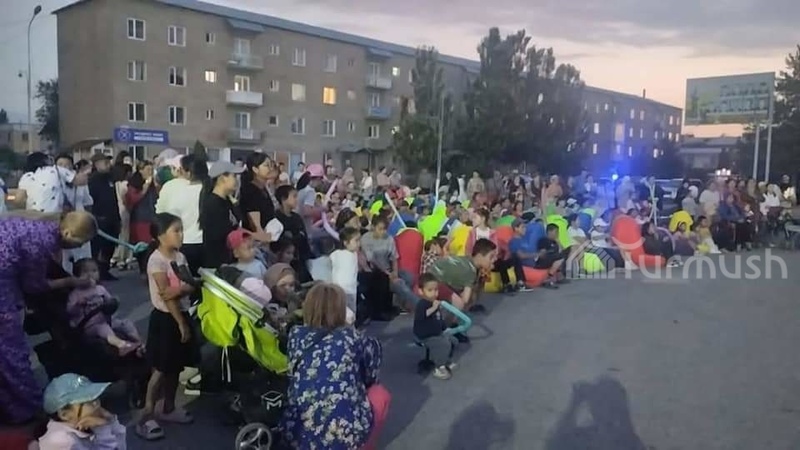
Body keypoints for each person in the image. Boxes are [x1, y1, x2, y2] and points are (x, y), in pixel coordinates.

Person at [0, 210, 96, 425]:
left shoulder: (36, 224)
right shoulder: (42, 242)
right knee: (12, 352)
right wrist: (71, 282)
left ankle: (10, 405)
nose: (79, 247)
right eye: (81, 242)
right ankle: (29, 408)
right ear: (68, 233)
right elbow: (35, 286)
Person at [280, 283, 390, 450]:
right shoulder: (352, 337)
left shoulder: (296, 335)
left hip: (298, 435)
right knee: (380, 394)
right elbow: (372, 374)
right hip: (343, 435)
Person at [137, 212, 200, 440]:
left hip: (181, 314)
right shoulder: (156, 261)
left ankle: (168, 408)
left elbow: (190, 284)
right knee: (161, 369)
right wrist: (181, 323)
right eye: (176, 231)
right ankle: (146, 416)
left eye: (181, 230)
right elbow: (166, 296)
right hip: (166, 319)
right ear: (161, 236)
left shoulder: (180, 257)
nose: (181, 235)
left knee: (175, 367)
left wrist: (181, 289)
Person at [67, 258, 142, 355]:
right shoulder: (76, 294)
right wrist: (77, 304)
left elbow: (109, 301)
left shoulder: (100, 289)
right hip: (89, 325)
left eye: (94, 271)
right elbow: (69, 311)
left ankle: (138, 341)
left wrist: (113, 302)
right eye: (85, 272)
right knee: (104, 329)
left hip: (106, 319)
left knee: (126, 323)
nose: (90, 275)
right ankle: (121, 345)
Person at [38, 373, 126, 449]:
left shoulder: (85, 427)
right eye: (89, 402)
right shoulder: (61, 441)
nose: (97, 405)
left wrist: (111, 422)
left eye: (96, 399)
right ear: (64, 414)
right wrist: (103, 430)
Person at [155, 154, 206, 274]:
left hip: (179, 242)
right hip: (205, 243)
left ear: (186, 171)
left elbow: (160, 213)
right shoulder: (209, 187)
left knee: (181, 280)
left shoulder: (170, 186)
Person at [429, 238, 498, 316]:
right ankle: (447, 321)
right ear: (479, 256)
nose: (494, 260)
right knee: (460, 304)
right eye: (491, 257)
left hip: (433, 278)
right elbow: (465, 299)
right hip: (433, 282)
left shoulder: (468, 260)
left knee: (465, 295)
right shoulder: (470, 271)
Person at [199, 161, 245, 269]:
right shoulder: (212, 203)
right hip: (217, 261)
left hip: (228, 259)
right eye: (234, 176)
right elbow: (220, 233)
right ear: (223, 177)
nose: (237, 180)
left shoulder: (227, 200)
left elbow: (239, 220)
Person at [414, 273, 458, 380]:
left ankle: (445, 359)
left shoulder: (434, 303)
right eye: (430, 290)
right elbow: (422, 316)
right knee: (443, 344)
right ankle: (439, 367)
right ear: (421, 291)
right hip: (425, 336)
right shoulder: (422, 304)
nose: (434, 293)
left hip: (436, 333)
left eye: (436, 290)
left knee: (453, 340)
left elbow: (439, 318)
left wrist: (445, 328)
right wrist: (434, 308)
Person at [15, 152, 88, 213]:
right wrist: (82, 170)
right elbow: (82, 181)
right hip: (54, 216)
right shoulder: (55, 170)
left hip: (34, 217)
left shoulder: (26, 177)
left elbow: (19, 200)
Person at [88, 154, 122, 281]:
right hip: (100, 218)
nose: (108, 165)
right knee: (98, 247)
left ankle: (105, 270)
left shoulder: (110, 178)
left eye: (109, 162)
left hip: (112, 217)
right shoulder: (92, 180)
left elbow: (114, 199)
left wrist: (118, 218)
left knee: (110, 246)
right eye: (105, 163)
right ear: (96, 164)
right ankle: (95, 272)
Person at [360, 215, 399, 321]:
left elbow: (394, 257)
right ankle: (379, 312)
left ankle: (390, 307)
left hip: (388, 268)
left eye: (385, 229)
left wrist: (395, 272)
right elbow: (371, 259)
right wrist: (387, 273)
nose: (383, 232)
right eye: (380, 229)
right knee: (380, 279)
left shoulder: (389, 238)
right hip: (372, 269)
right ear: (373, 227)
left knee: (407, 277)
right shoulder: (366, 239)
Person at [274, 184, 314, 282]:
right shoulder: (276, 218)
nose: (297, 200)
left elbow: (304, 238)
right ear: (283, 199)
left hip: (301, 259)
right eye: (294, 196)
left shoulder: (297, 218)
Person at [125, 161, 158, 274]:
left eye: (151, 170)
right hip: (139, 219)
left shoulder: (154, 184)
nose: (150, 172)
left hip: (152, 217)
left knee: (152, 246)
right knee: (142, 246)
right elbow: (132, 200)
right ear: (140, 170)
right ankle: (143, 269)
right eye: (148, 170)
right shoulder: (134, 184)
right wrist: (144, 188)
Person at [239, 152, 277, 242]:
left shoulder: (263, 188)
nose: (270, 168)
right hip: (255, 241)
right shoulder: (250, 190)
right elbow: (255, 224)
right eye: (266, 165)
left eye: (271, 165)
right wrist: (263, 238)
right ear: (255, 169)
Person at [331, 226, 361, 320]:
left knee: (351, 313)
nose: (359, 243)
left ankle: (350, 327)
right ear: (345, 242)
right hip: (341, 290)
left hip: (351, 290)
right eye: (356, 241)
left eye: (359, 240)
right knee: (344, 314)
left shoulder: (354, 254)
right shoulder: (338, 254)